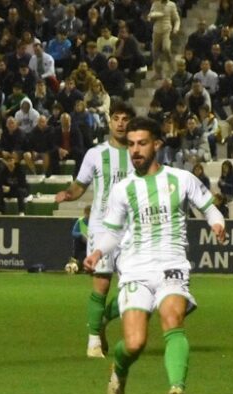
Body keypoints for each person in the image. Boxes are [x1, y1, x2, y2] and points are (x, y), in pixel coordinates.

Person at [83, 116, 226, 394]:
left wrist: (217, 224)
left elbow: (210, 208)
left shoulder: (181, 179)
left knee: (173, 319)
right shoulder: (122, 189)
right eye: (131, 144)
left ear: (157, 145)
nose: (135, 150)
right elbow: (112, 233)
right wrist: (97, 253)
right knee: (134, 344)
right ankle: (119, 369)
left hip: (172, 264)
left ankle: (176, 389)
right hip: (135, 269)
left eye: (142, 144)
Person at [54, 100, 136, 358]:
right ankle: (93, 343)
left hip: (132, 229)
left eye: (126, 119)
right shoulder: (95, 154)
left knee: (134, 290)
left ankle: (100, 321)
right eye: (117, 118)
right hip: (102, 229)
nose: (121, 123)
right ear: (110, 122)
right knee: (101, 284)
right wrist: (68, 194)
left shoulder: (139, 153)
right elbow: (80, 185)